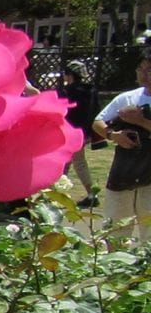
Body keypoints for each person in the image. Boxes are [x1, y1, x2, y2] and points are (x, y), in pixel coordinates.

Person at [91, 51, 151, 243]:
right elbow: (98, 122)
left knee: (149, 234)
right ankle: (114, 268)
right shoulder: (127, 98)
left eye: (149, 70)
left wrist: (141, 121)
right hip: (123, 174)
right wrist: (113, 135)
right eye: (141, 69)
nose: (144, 74)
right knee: (115, 230)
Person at [62, 60, 100, 206]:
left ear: (69, 75)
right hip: (84, 132)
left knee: (74, 162)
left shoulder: (68, 92)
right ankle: (57, 194)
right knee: (68, 162)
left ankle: (91, 195)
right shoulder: (91, 91)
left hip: (68, 132)